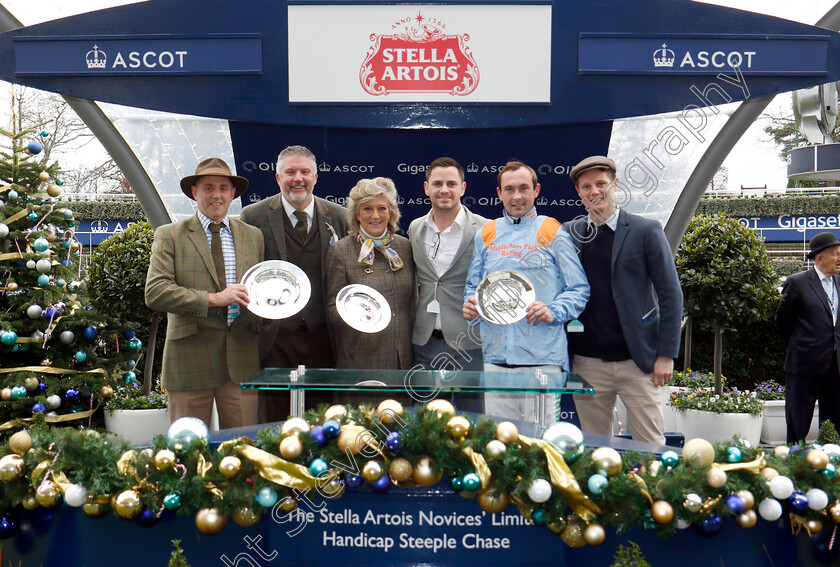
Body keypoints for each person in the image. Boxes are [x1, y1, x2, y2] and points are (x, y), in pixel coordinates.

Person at [564, 155, 683, 446]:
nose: (595, 192)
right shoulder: (568, 234)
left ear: (614, 185)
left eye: (601, 184)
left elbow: (671, 294)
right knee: (595, 448)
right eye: (586, 186)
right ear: (579, 192)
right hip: (587, 363)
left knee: (650, 446)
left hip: (639, 363)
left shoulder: (645, 231)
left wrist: (666, 355)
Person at [462, 161, 589, 422]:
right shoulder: (486, 232)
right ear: (499, 193)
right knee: (499, 444)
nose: (516, 196)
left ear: (536, 190)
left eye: (523, 188)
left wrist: (552, 310)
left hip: (542, 361)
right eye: (509, 189)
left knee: (541, 446)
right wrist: (471, 305)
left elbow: (579, 288)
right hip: (495, 359)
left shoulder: (553, 231)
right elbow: (472, 287)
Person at [145, 157, 264, 428]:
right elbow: (155, 292)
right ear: (194, 192)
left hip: (242, 360)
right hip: (189, 360)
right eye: (208, 188)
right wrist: (213, 299)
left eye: (223, 188)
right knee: (187, 452)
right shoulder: (170, 235)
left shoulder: (253, 236)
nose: (217, 195)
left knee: (243, 449)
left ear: (233, 194)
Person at [239, 145, 348, 420]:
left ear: (315, 177)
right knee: (274, 418)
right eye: (290, 172)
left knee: (323, 417)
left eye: (304, 172)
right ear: (278, 178)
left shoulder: (340, 217)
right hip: (274, 338)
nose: (297, 178)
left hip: (324, 336)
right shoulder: (253, 216)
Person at [408, 157, 488, 411]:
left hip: (470, 343)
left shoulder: (486, 229)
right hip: (425, 342)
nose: (445, 189)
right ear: (426, 188)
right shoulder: (415, 228)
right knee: (427, 425)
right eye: (438, 183)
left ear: (463, 188)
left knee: (475, 423)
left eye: (452, 183)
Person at [326, 177, 416, 370]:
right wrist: (360, 313)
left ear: (390, 212)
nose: (375, 215)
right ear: (356, 214)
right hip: (361, 358)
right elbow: (332, 310)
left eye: (382, 208)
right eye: (367, 209)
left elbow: (412, 303)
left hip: (404, 358)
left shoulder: (405, 247)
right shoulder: (341, 251)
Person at [775, 231, 840, 442]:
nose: (839, 258)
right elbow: (783, 322)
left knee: (834, 424)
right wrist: (800, 347)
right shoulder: (797, 283)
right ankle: (795, 464)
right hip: (803, 365)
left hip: (835, 366)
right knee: (798, 422)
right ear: (820, 257)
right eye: (836, 254)